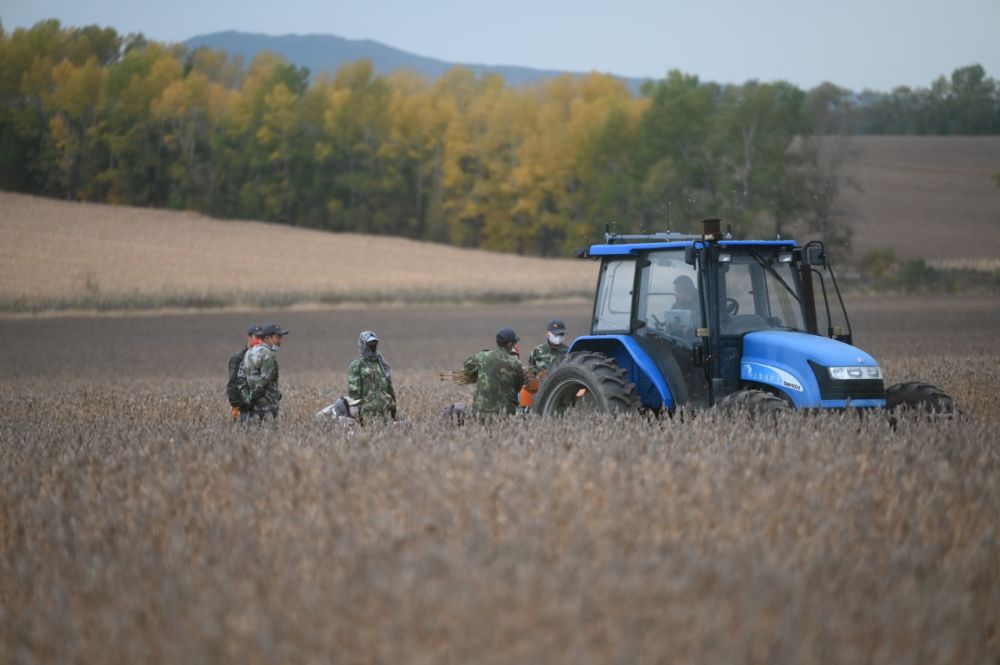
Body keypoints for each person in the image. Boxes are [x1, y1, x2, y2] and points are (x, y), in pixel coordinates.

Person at [463, 326, 525, 420]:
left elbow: (467, 365)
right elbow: (518, 387)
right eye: (514, 343)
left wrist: (481, 372)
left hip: (480, 414)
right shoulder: (515, 364)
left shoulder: (483, 356)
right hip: (505, 416)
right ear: (509, 344)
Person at [241, 322, 289, 423]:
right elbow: (264, 382)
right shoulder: (268, 355)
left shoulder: (249, 352)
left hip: (250, 408)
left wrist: (247, 398)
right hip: (266, 408)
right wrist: (252, 398)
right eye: (278, 337)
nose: (280, 341)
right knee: (268, 432)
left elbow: (241, 378)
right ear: (267, 338)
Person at [347, 330, 397, 424]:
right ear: (363, 345)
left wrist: (393, 407)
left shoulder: (382, 363)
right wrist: (357, 415)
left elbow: (389, 387)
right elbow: (354, 393)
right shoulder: (357, 366)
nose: (373, 346)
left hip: (386, 413)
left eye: (374, 343)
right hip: (367, 416)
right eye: (370, 344)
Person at [521, 319, 569, 410]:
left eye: (561, 334)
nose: (558, 337)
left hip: (560, 392)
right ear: (548, 333)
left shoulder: (568, 352)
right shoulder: (538, 351)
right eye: (555, 334)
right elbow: (531, 373)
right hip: (540, 393)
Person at [227, 324, 263, 421]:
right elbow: (233, 384)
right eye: (257, 337)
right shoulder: (238, 358)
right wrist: (235, 406)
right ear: (248, 337)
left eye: (262, 338)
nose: (259, 341)